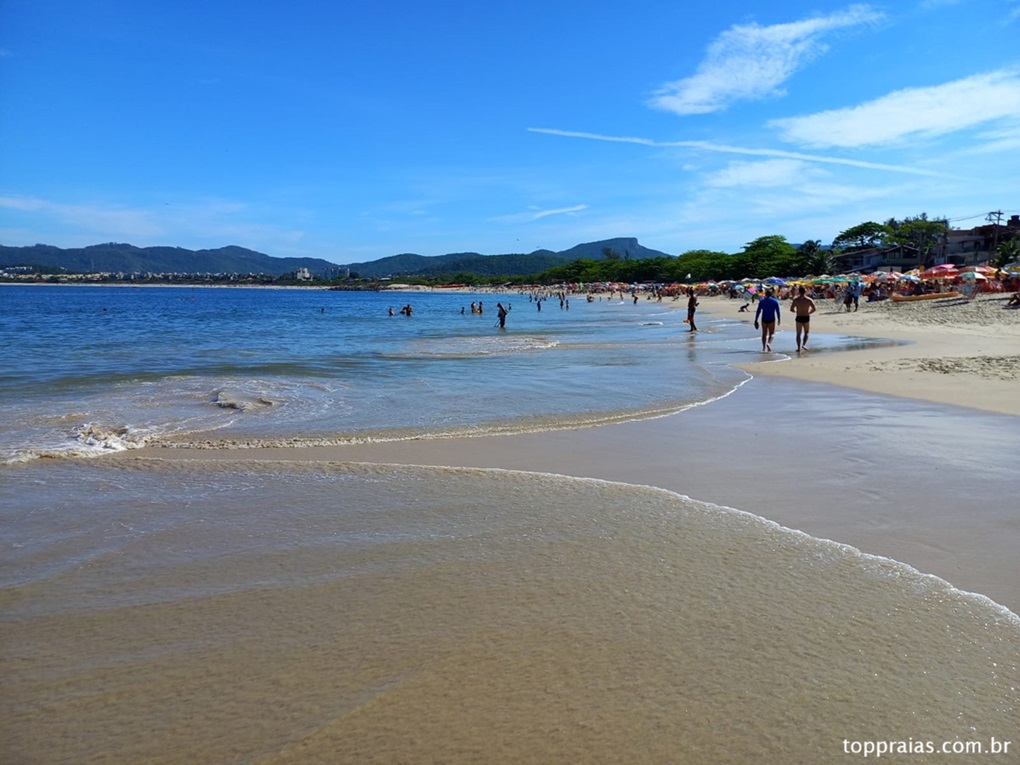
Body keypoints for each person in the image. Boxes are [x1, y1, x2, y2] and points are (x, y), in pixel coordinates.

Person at [790, 285, 817, 352]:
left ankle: (798, 347)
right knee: (806, 332)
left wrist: (796, 311)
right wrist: (809, 312)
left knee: (798, 333)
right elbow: (814, 309)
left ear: (799, 291)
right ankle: (804, 344)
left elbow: (791, 309)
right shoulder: (809, 300)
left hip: (799, 316)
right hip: (806, 316)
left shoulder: (796, 300)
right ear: (805, 292)